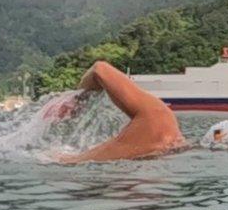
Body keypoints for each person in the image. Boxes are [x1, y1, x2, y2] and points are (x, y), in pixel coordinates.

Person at [54, 61, 186, 163]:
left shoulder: (160, 119)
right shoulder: (162, 137)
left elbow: (100, 69)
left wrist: (78, 101)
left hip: (67, 166)